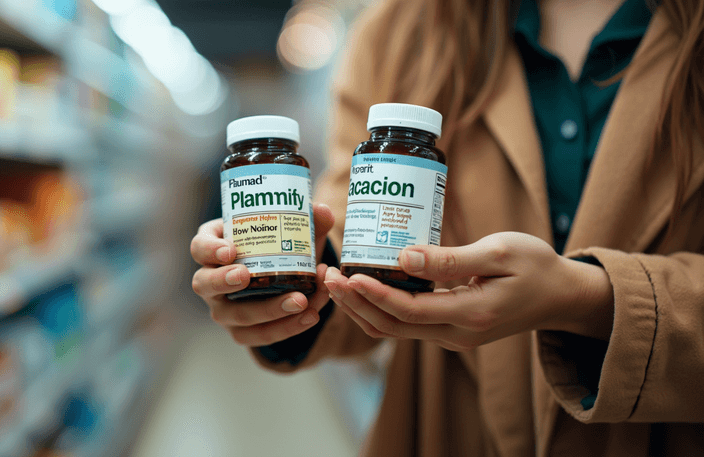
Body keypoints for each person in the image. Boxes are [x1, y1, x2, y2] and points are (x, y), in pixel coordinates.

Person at [190, 0, 704, 454]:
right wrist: (291, 282)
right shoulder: (397, 30)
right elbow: (352, 232)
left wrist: (591, 298)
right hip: (452, 428)